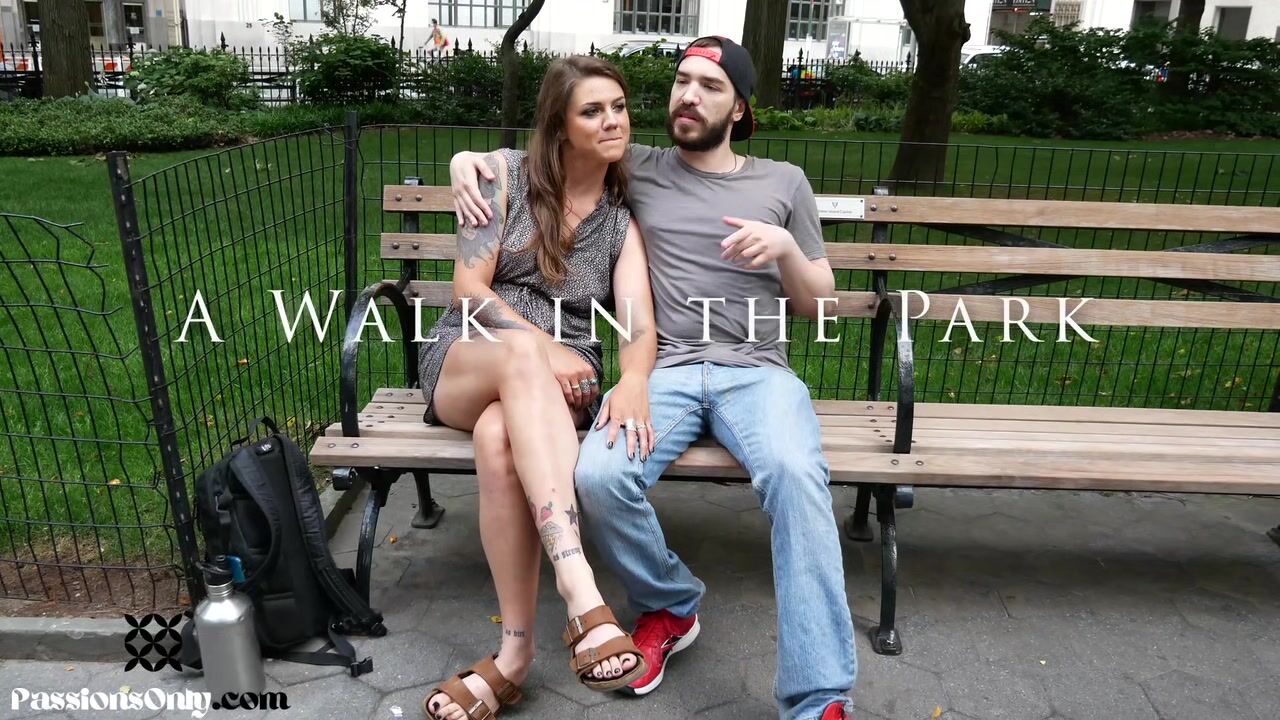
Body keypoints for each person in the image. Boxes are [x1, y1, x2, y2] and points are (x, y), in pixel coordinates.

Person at [450, 36, 856, 720]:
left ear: (740, 108)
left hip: (758, 372)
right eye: (681, 81)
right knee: (598, 475)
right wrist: (467, 162)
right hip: (668, 370)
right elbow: (548, 149)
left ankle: (818, 698)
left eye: (710, 86)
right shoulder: (635, 165)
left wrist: (786, 248)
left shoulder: (784, 182)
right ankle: (669, 604)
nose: (689, 96)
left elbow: (821, 304)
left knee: (795, 474)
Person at [419, 55, 659, 720]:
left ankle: (513, 656)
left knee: (499, 438)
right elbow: (469, 290)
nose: (612, 121)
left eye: (618, 107)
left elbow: (638, 326)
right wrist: (545, 348)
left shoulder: (619, 223)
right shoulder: (501, 179)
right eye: (592, 111)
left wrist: (634, 378)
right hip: (470, 357)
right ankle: (579, 588)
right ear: (559, 126)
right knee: (522, 353)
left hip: (557, 389)